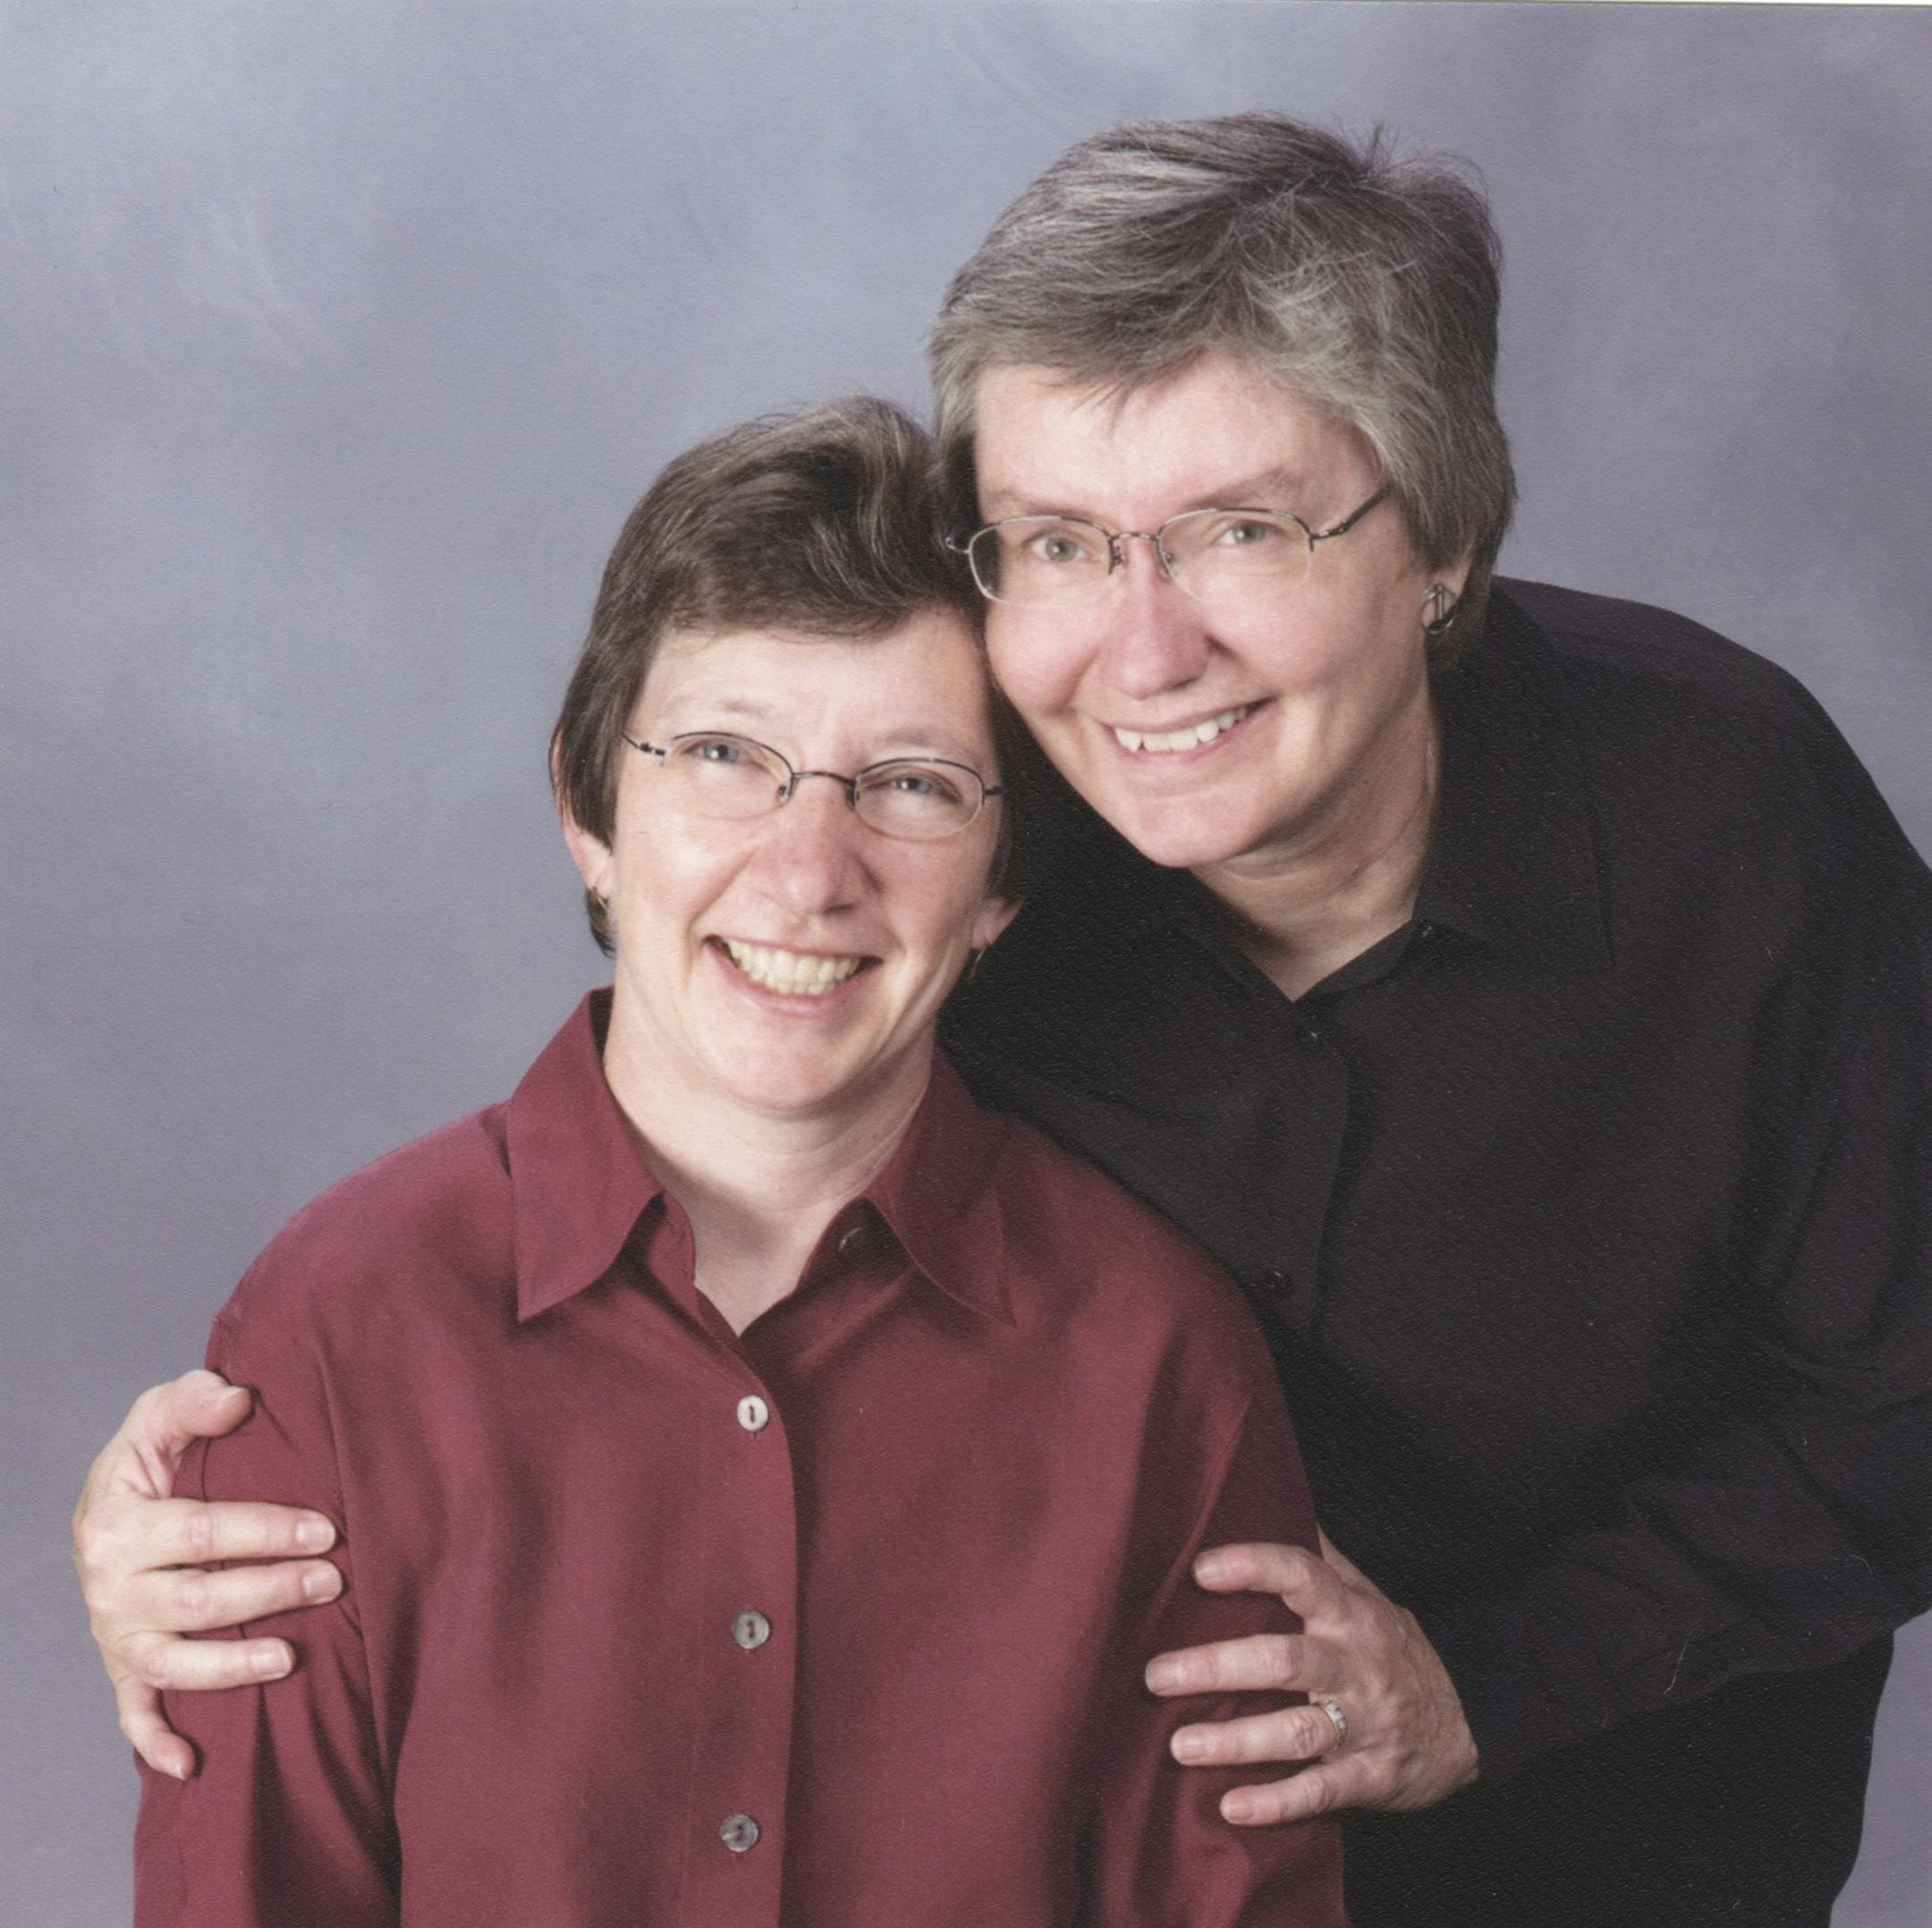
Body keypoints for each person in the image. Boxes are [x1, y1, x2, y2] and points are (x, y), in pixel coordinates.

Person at [78, 115, 1930, 1927]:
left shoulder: (1728, 816)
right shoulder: (956, 836)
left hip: (1627, 1834)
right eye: (1054, 541)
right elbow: (619, 1248)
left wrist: (1486, 1680)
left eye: (1237, 530)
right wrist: (248, 1496)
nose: (1139, 653)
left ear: (1439, 541)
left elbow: (1906, 1405)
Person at [119, 396, 1346, 1926]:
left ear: (1003, 888)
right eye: (723, 755)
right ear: (589, 808)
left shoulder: (1156, 1358)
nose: (808, 873)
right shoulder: (339, 1332)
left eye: (908, 784)